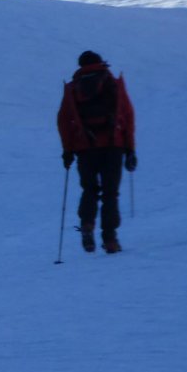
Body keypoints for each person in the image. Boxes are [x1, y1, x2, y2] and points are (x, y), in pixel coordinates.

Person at [57, 50, 137, 253]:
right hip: (113, 146)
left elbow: (64, 121)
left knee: (89, 190)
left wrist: (68, 150)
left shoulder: (73, 88)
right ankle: (110, 239)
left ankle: (87, 224)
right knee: (110, 193)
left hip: (85, 148)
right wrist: (130, 149)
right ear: (101, 62)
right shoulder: (113, 83)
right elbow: (127, 115)